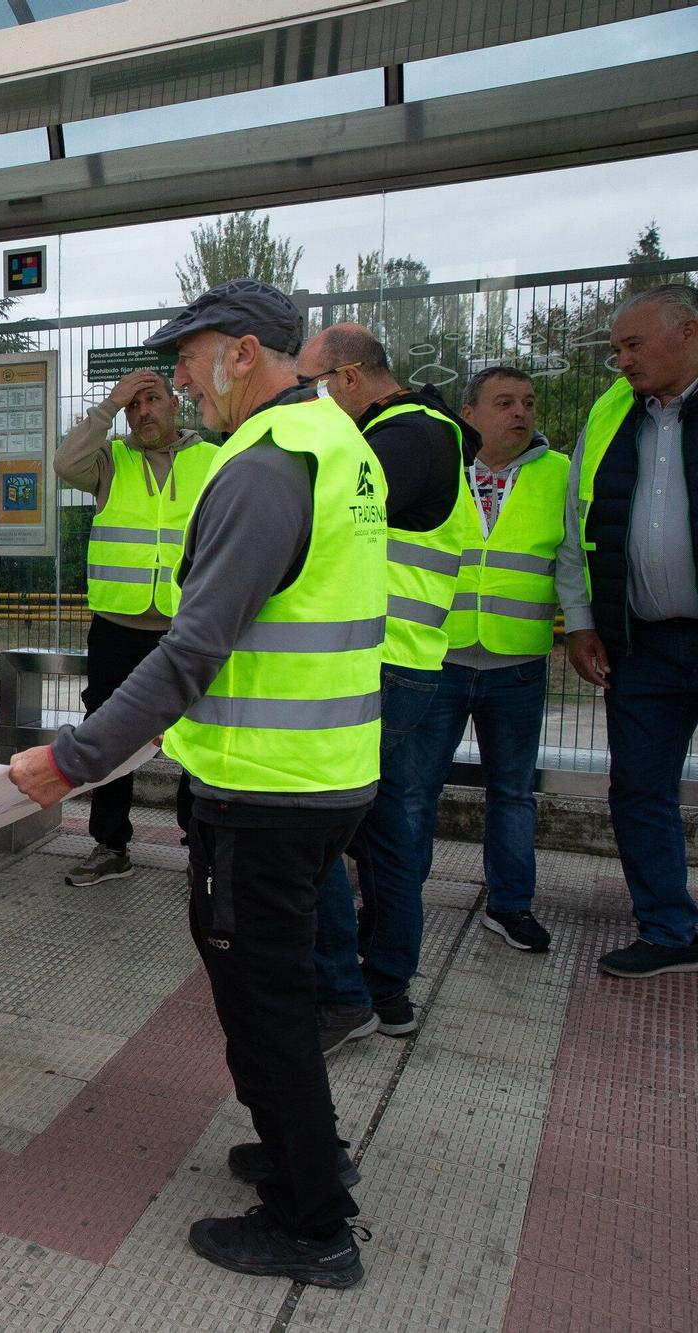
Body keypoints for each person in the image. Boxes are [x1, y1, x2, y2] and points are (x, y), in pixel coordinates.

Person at [9, 279, 380, 1288]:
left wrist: (69, 761)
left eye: (188, 354)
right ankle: (301, 1147)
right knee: (277, 981)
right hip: (321, 771)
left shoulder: (263, 469)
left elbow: (187, 653)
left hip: (264, 785)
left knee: (260, 998)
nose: (176, 376)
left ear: (245, 353)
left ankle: (311, 1222)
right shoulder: (333, 443)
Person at [295, 323, 479, 1052]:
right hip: (400, 660)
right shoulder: (425, 431)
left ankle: (344, 993)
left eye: (309, 385)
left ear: (345, 377)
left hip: (377, 662)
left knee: (322, 828)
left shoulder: (403, 435)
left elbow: (330, 523)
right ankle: (387, 988)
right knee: (383, 832)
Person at [559, 283, 698, 978]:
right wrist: (583, 622)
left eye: (633, 345)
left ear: (690, 332)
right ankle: (670, 930)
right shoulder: (614, 413)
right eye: (616, 347)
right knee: (639, 788)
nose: (620, 361)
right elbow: (575, 523)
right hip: (639, 643)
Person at [405, 366, 565, 955]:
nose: (519, 413)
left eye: (527, 402)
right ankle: (400, 896)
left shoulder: (558, 473)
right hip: (438, 657)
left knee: (514, 793)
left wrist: (584, 629)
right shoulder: (440, 468)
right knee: (417, 789)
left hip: (516, 663)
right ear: (468, 414)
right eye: (503, 402)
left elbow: (569, 561)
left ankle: (510, 905)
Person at [55, 367, 213, 883]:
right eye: (132, 405)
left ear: (175, 404)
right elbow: (63, 462)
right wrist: (107, 406)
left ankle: (202, 845)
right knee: (109, 732)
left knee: (199, 734)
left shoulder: (213, 460)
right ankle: (110, 845)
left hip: (187, 625)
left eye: (152, 400)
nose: (142, 412)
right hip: (117, 626)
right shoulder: (110, 461)